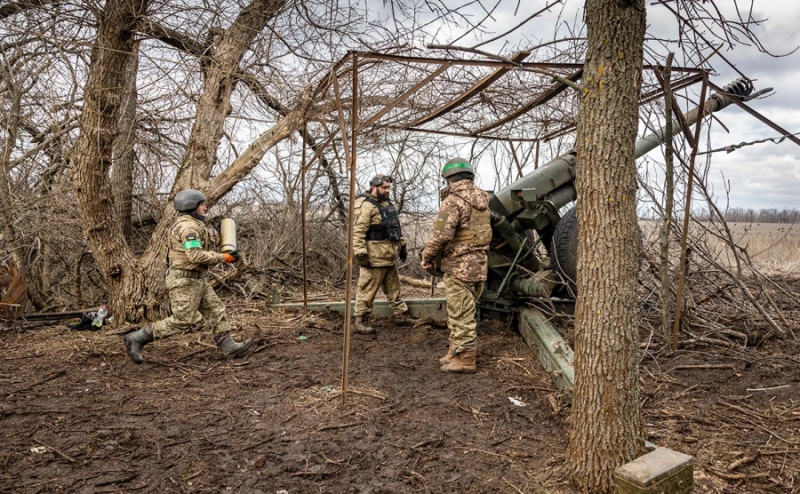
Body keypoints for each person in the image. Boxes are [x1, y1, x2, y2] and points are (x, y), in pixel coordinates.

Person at [123, 189, 252, 364]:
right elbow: (195, 256)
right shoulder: (188, 227)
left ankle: (228, 348)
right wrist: (224, 257)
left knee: (216, 310)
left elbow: (203, 243)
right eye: (202, 205)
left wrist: (219, 236)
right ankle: (136, 338)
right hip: (184, 280)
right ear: (192, 207)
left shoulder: (195, 225)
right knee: (182, 321)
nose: (205, 208)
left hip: (195, 278)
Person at [421, 158, 491, 373]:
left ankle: (466, 359)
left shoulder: (453, 200)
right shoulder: (483, 199)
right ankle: (454, 352)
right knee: (462, 311)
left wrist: (427, 255)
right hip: (479, 265)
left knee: (461, 315)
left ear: (450, 179)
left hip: (459, 266)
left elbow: (442, 234)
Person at [352, 174, 417, 334]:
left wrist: (402, 246)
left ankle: (401, 316)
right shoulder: (365, 206)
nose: (387, 190)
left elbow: (395, 227)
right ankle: (360, 320)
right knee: (367, 290)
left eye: (389, 187)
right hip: (373, 258)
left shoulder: (387, 204)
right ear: (374, 187)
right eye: (384, 188)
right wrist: (361, 254)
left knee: (394, 290)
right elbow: (357, 232)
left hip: (389, 256)